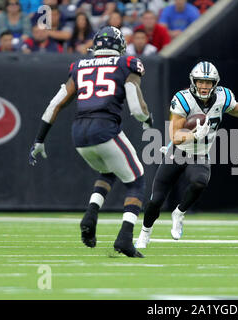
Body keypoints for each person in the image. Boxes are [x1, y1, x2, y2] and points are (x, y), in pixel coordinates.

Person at [29, 26, 153, 258]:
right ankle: (125, 238)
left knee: (108, 171)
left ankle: (91, 215)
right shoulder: (127, 64)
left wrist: (39, 139)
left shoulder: (79, 66)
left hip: (79, 134)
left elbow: (55, 104)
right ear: (119, 46)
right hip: (105, 128)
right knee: (136, 181)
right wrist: (147, 118)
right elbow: (136, 108)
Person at [135, 61, 238, 248]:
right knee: (156, 200)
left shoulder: (223, 96)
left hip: (200, 154)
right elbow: (175, 136)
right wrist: (193, 135)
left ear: (215, 83)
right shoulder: (183, 99)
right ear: (193, 81)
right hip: (178, 152)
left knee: (200, 182)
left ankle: (179, 212)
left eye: (208, 82)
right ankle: (145, 233)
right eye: (200, 81)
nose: (204, 86)